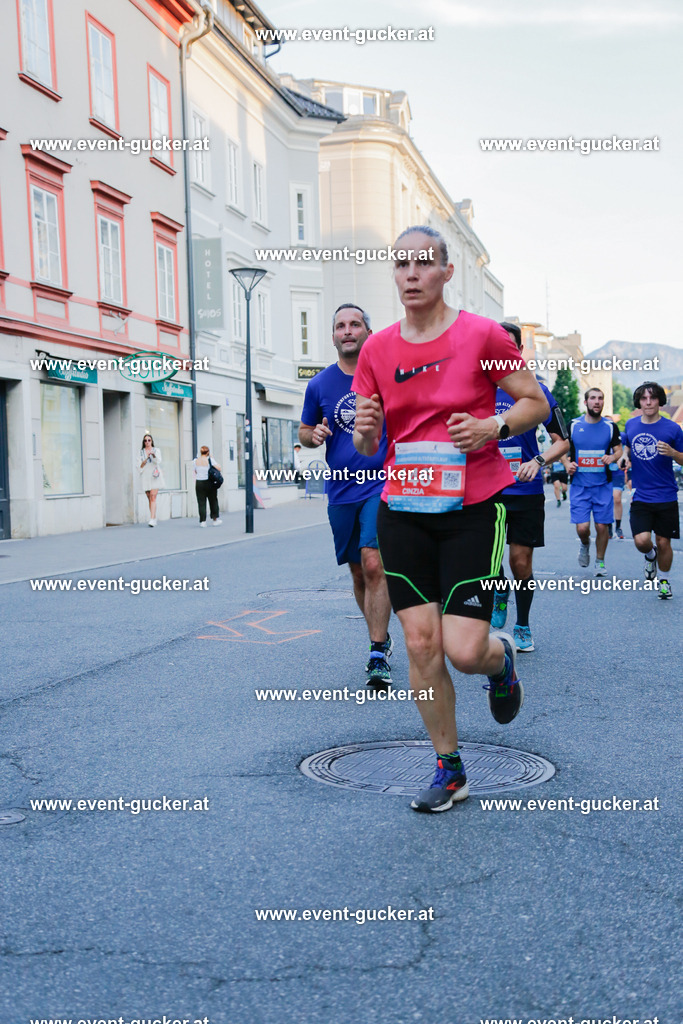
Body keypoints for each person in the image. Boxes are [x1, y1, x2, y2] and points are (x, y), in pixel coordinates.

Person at [352, 225, 549, 813]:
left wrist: (493, 426)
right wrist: (365, 434)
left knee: (464, 651)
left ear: (445, 272)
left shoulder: (482, 335)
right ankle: (450, 767)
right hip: (403, 509)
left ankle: (502, 661)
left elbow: (534, 401)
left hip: (472, 510)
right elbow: (368, 449)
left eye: (422, 264)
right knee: (420, 643)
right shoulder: (377, 349)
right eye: (400, 265)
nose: (410, 275)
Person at [299, 303, 393, 688]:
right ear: (333, 335)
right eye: (341, 325)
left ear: (368, 332)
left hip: (381, 483)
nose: (348, 330)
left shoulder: (386, 378)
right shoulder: (319, 384)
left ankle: (375, 652)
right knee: (357, 571)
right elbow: (304, 432)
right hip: (340, 490)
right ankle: (381, 639)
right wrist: (314, 436)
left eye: (355, 323)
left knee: (374, 564)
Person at [490, 323, 569, 652]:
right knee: (488, 563)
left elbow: (563, 442)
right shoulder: (475, 387)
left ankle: (522, 624)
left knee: (520, 563)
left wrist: (538, 460)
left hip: (524, 491)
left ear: (519, 351)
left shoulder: (537, 390)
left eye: (508, 346)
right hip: (486, 491)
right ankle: (498, 591)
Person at [621, 381, 683, 599]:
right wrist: (624, 456)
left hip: (666, 494)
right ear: (638, 401)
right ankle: (650, 556)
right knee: (641, 540)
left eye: (653, 398)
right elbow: (626, 446)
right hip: (641, 494)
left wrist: (674, 453)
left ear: (660, 401)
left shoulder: (673, 428)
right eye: (644, 398)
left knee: (664, 541)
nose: (648, 402)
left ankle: (664, 581)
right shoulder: (630, 424)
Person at [567, 388, 622, 576]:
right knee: (583, 528)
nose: (597, 402)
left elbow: (619, 450)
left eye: (600, 398)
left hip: (602, 485)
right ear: (586, 402)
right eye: (592, 398)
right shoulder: (573, 425)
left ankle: (600, 561)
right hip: (580, 486)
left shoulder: (610, 426)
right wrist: (567, 464)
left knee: (601, 526)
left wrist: (612, 458)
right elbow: (560, 450)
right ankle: (584, 544)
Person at [139, 433, 165, 526]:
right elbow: (139, 466)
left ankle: (152, 519)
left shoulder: (156, 450)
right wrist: (145, 459)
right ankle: (154, 517)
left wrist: (153, 455)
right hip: (145, 475)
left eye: (149, 440)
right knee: (149, 498)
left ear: (152, 441)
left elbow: (158, 461)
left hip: (154, 475)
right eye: (145, 440)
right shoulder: (141, 452)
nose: (147, 442)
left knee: (153, 497)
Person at [193, 445, 223, 528]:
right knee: (213, 500)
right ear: (208, 452)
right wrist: (212, 458)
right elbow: (219, 468)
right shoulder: (210, 460)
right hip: (209, 482)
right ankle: (215, 520)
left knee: (201, 502)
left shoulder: (195, 461)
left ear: (200, 452)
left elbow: (195, 471)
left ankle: (203, 521)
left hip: (199, 483)